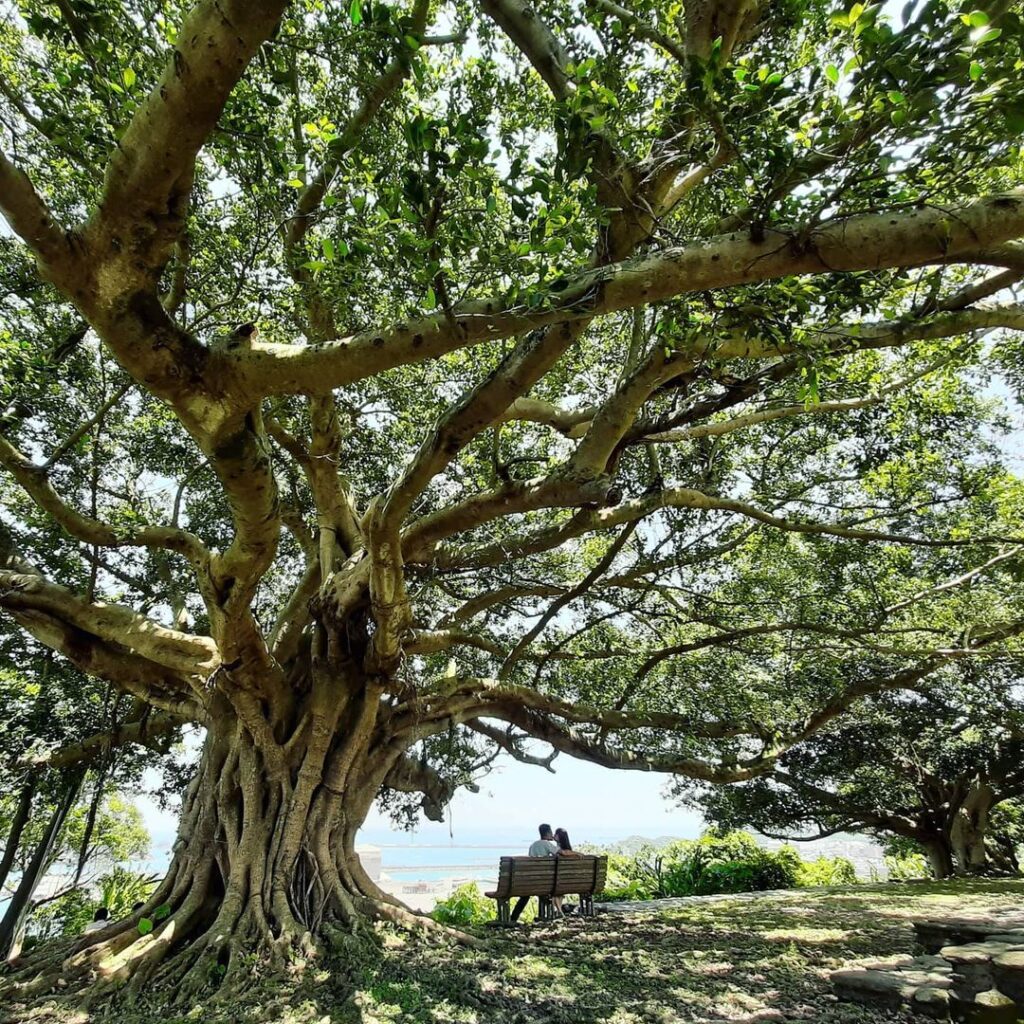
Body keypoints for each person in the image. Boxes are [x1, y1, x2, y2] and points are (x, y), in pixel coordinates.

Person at [510, 824, 559, 922]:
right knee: (546, 892)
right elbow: (559, 853)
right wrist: (557, 841)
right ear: (548, 833)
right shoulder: (547, 844)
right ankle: (546, 915)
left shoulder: (533, 845)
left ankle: (513, 918)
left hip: (532, 882)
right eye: (551, 832)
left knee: (525, 896)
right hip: (545, 883)